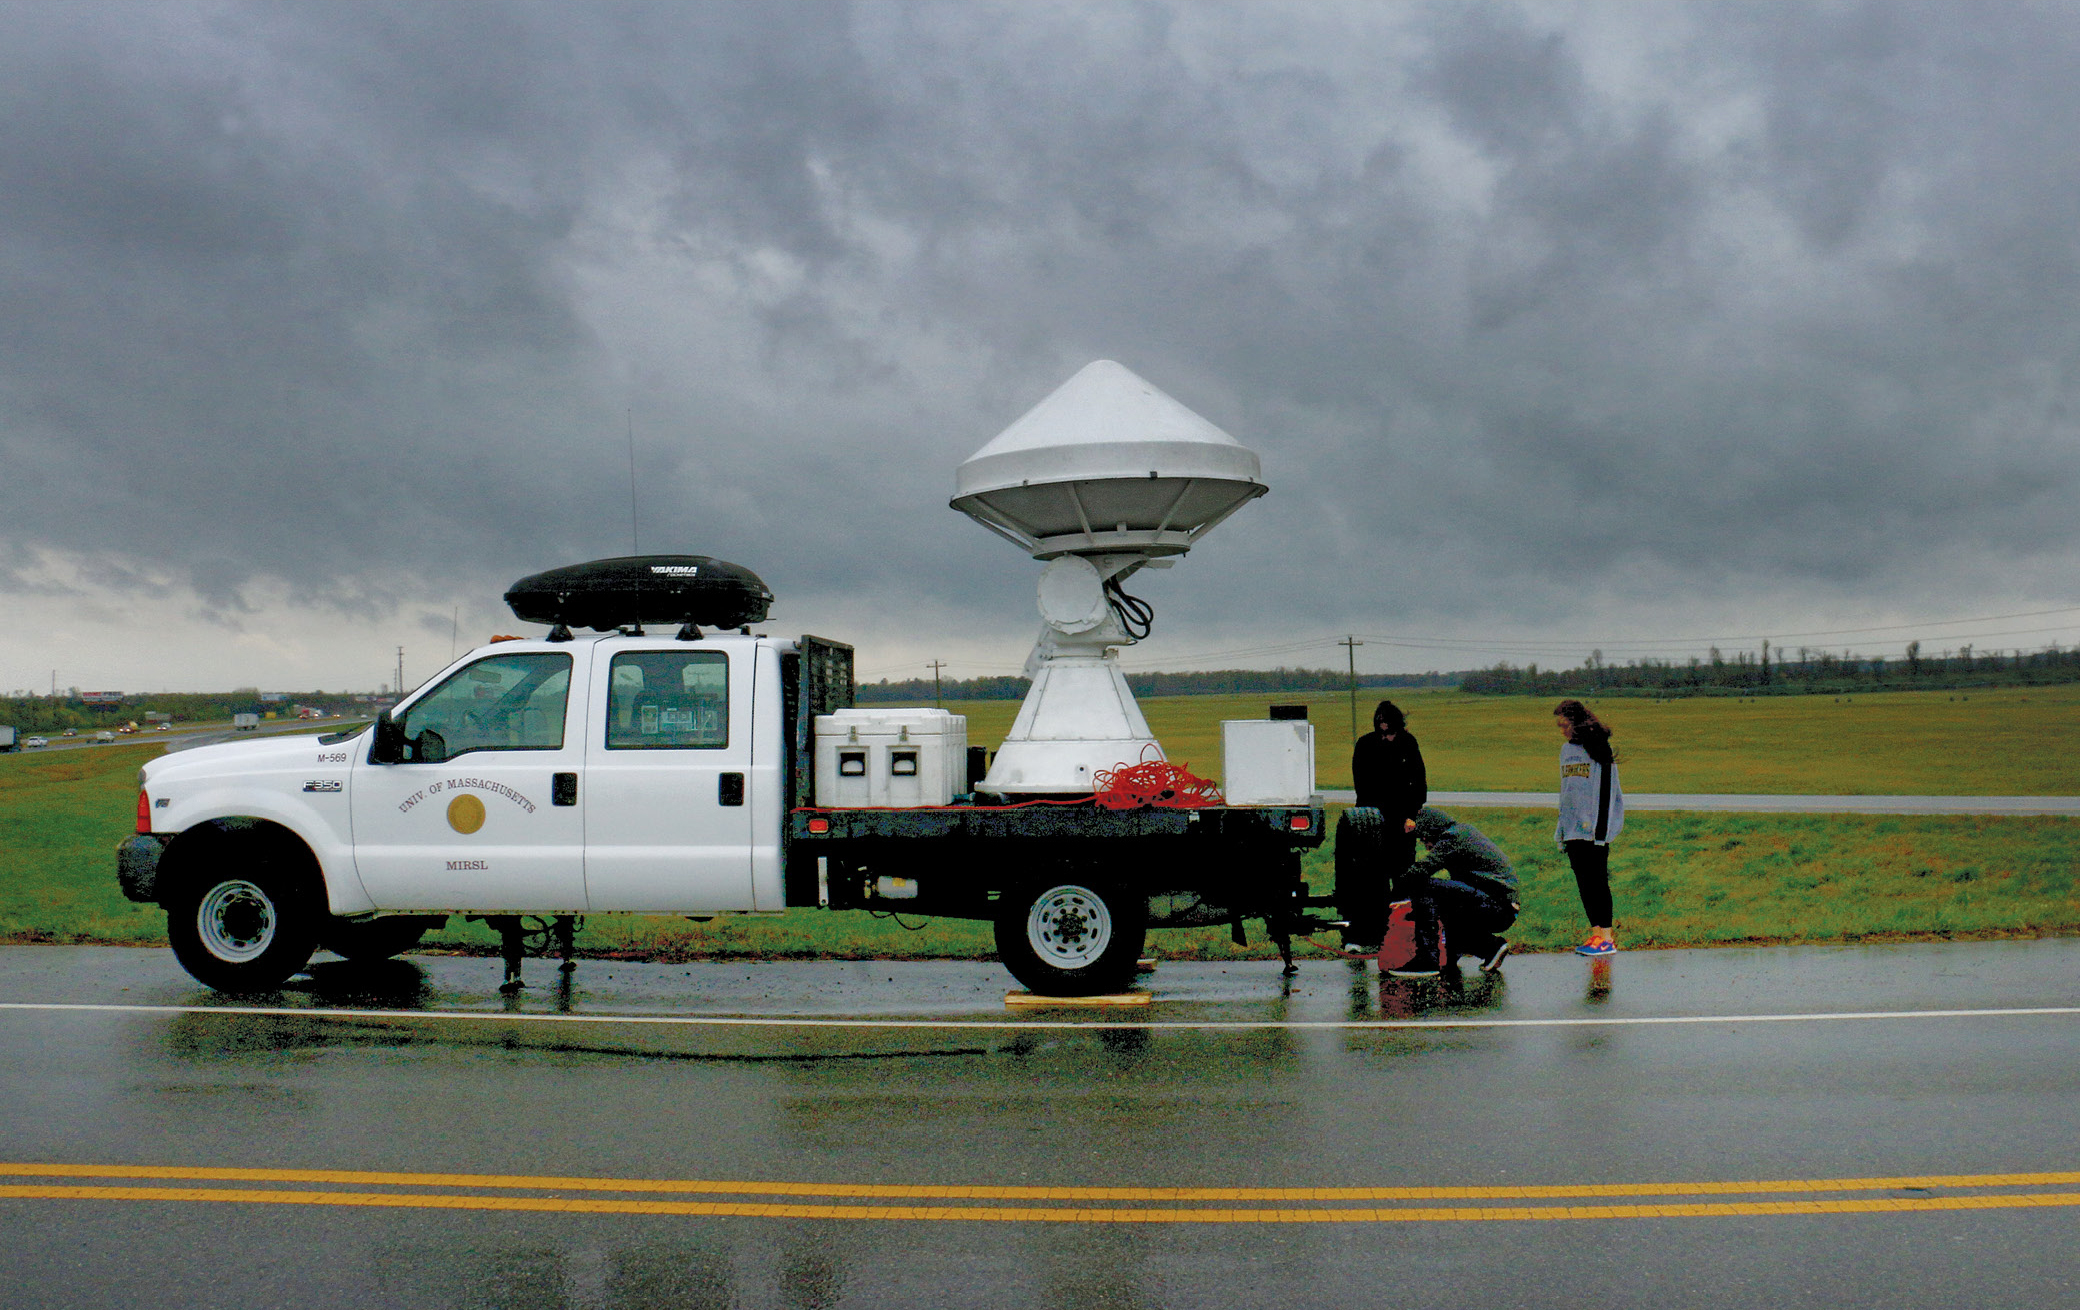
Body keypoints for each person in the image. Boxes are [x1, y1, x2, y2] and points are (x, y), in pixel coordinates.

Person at [1341, 700, 1426, 956]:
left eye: (1390, 731)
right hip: (1370, 823)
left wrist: (1412, 815)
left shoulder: (1408, 744)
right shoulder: (1365, 744)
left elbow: (1419, 781)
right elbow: (1361, 784)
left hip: (1402, 824)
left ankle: (1401, 937)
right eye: (1382, 730)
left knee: (1402, 880)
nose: (1386, 735)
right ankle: (1359, 936)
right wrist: (1368, 820)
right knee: (1368, 882)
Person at [1396, 806, 1519, 975]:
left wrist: (1391, 896)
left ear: (1433, 830)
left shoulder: (1453, 837)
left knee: (1424, 886)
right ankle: (1490, 948)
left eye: (1424, 839)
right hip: (1501, 906)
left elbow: (1422, 870)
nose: (1426, 846)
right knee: (1444, 903)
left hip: (1497, 905)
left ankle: (1427, 961)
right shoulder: (1463, 833)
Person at [1554, 699, 1624, 956]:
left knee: (1597, 882)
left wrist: (1601, 831)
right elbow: (1566, 792)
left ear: (1576, 722)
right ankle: (1595, 934)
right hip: (1572, 830)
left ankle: (1606, 937)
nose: (1562, 730)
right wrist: (1561, 829)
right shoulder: (1565, 750)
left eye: (1564, 725)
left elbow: (1607, 791)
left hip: (1594, 830)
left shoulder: (1599, 748)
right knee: (1584, 883)